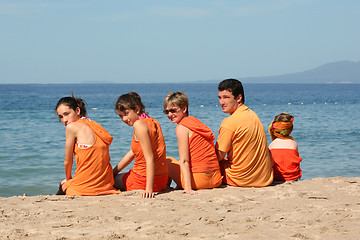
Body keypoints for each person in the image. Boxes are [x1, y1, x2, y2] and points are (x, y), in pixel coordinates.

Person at [55, 95, 120, 196]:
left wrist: (68, 180)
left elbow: (68, 161)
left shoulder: (71, 127)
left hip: (87, 184)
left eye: (66, 114)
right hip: (106, 183)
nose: (64, 120)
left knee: (62, 185)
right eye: (61, 117)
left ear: (77, 111)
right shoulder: (95, 125)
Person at [215, 78, 273, 187]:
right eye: (220, 98)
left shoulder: (229, 122)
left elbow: (218, 156)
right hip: (264, 178)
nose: (221, 102)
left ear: (239, 98)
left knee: (205, 163)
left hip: (241, 179)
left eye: (226, 97)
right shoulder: (253, 115)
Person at [164, 92, 222, 194]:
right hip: (216, 179)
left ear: (184, 109)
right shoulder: (196, 123)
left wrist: (187, 188)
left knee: (167, 160)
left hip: (200, 181)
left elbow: (185, 161)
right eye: (166, 112)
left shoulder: (181, 127)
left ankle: (166, 187)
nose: (169, 115)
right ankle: (174, 185)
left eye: (173, 110)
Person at [113, 92, 168, 198]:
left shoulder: (139, 125)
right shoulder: (153, 122)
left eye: (126, 114)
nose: (124, 119)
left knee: (110, 181)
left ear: (137, 109)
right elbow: (133, 152)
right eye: (121, 116)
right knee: (114, 176)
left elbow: (149, 157)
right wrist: (113, 171)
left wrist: (149, 189)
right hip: (162, 180)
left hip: (142, 180)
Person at [268, 113, 302, 181]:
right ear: (290, 129)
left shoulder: (272, 145)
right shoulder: (294, 144)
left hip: (277, 178)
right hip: (293, 177)